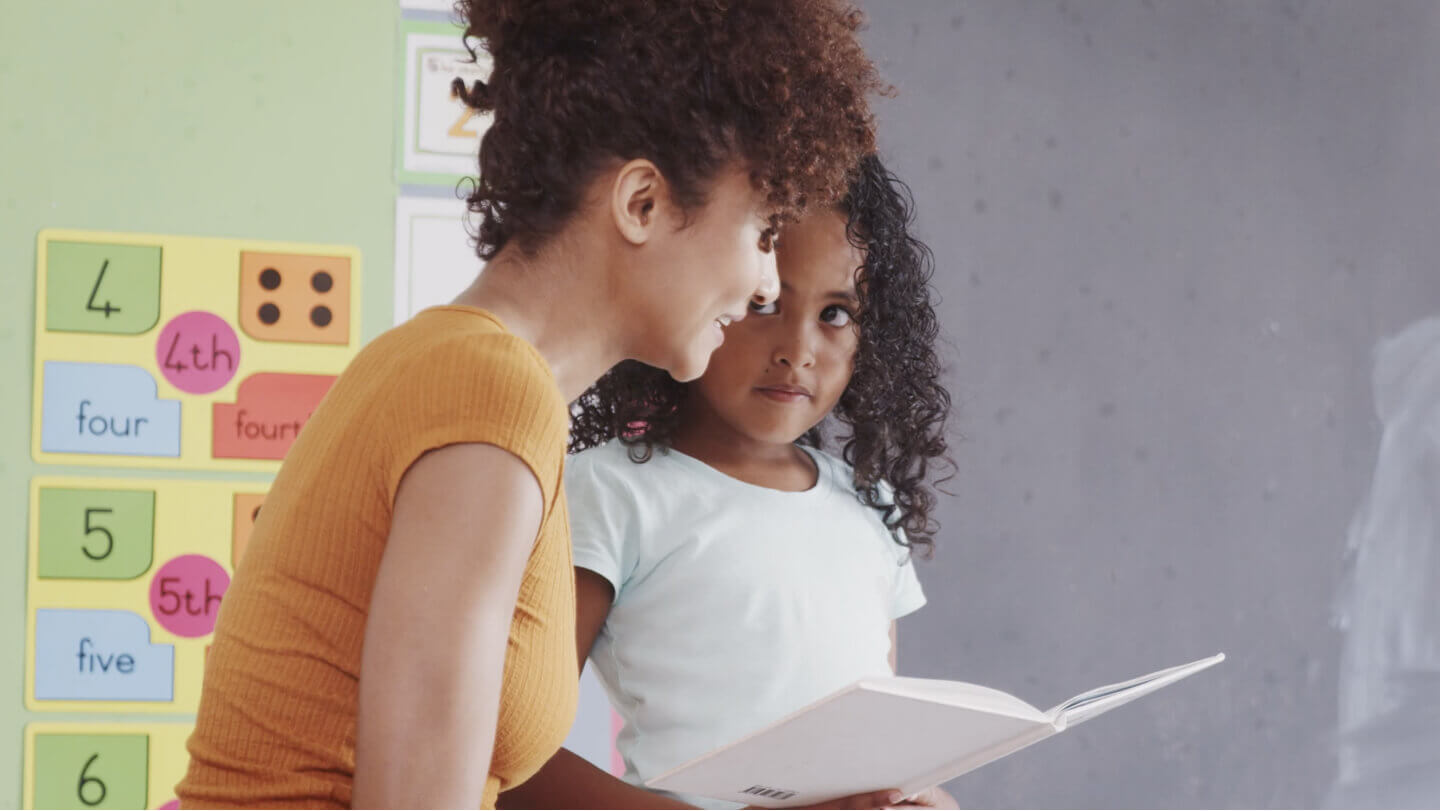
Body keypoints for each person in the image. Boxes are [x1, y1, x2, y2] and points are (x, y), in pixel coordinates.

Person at [176, 2, 885, 807]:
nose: (764, 279)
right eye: (762, 229)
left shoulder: (462, 372)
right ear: (641, 203)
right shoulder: (489, 394)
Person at [500, 155, 956, 809]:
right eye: (765, 302)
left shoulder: (867, 505)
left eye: (834, 314)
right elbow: (509, 759)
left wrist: (921, 797)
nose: (796, 348)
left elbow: (870, 749)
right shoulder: (610, 494)